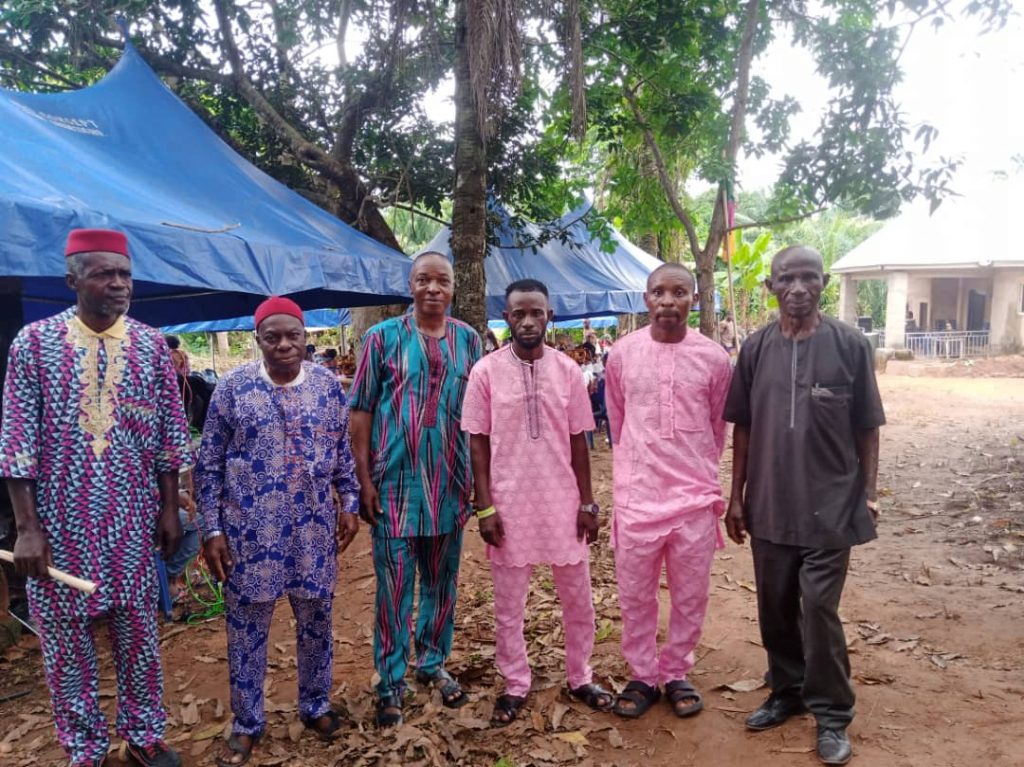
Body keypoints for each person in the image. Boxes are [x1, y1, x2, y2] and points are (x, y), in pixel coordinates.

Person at [0, 228, 192, 767]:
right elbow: (18, 441)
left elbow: (169, 435)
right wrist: (27, 528)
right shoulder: (33, 344)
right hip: (57, 525)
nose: (118, 283)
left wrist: (170, 505)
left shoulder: (152, 345)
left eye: (124, 273)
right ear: (72, 280)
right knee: (66, 644)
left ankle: (143, 735)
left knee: (138, 634)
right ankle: (84, 749)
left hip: (131, 521)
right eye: (104, 273)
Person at [723, 246, 884, 766]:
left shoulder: (851, 345)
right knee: (775, 607)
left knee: (817, 608)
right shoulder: (755, 348)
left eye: (809, 278)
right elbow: (742, 425)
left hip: (831, 504)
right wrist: (736, 495)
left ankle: (833, 714)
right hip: (770, 501)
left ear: (823, 283)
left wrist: (869, 492)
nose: (798, 287)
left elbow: (867, 426)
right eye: (787, 279)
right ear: (770, 286)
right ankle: (786, 691)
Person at [195, 296, 360, 766]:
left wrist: (348, 503)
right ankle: (248, 723)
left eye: (293, 336)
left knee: (317, 622)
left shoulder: (328, 387)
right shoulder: (232, 390)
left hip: (313, 533)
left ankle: (315, 705)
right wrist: (211, 529)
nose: (284, 345)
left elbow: (342, 455)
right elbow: (207, 467)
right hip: (250, 536)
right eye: (273, 337)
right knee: (247, 628)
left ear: (307, 338)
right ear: (258, 341)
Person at [461, 279, 613, 727]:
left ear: (549, 316)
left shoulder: (567, 369)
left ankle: (580, 676)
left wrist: (588, 503)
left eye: (537, 313)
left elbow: (579, 440)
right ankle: (515, 683)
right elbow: (477, 444)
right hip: (508, 505)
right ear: (506, 318)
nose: (528, 321)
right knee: (509, 605)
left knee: (578, 598)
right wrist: (485, 507)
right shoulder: (485, 372)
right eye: (518, 314)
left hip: (562, 501)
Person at [349, 252, 482, 727]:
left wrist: (478, 486)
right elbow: (361, 410)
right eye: (423, 279)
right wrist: (363, 480)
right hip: (395, 487)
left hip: (450, 483)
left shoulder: (469, 341)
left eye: (441, 280)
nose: (432, 288)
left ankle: (432, 663)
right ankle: (390, 681)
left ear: (452, 288)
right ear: (410, 285)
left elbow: (479, 415)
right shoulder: (380, 339)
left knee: (442, 585)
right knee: (395, 588)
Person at [604, 263, 732, 720]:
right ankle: (642, 674)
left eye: (680, 292)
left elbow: (717, 428)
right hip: (638, 498)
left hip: (694, 499)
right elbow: (618, 425)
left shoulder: (715, 359)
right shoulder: (620, 355)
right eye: (659, 292)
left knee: (690, 593)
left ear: (693, 300)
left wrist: (691, 466)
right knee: (636, 594)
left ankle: (676, 670)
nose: (668, 301)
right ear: (646, 299)